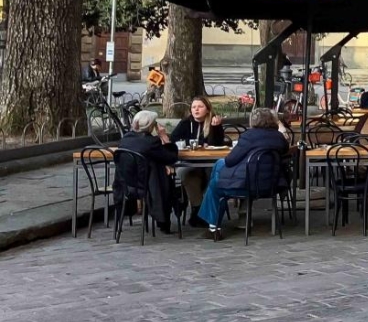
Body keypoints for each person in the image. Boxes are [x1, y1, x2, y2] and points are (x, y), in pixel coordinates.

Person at [199, 108, 290, 241]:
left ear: (252, 120)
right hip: (270, 185)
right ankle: (216, 223)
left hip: (247, 185)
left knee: (215, 181)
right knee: (218, 171)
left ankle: (213, 227)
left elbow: (230, 161)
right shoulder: (279, 138)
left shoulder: (249, 136)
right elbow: (285, 148)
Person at [115, 110, 180, 234]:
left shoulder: (125, 139)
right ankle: (164, 220)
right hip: (147, 187)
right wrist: (163, 136)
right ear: (151, 126)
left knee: (156, 166)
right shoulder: (151, 142)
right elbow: (171, 157)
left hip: (126, 185)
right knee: (163, 175)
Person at [170, 96, 227, 226]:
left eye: (200, 107)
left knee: (213, 174)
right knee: (185, 173)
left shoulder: (213, 122)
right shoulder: (185, 123)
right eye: (194, 107)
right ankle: (198, 208)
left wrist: (216, 128)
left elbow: (217, 144)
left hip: (209, 161)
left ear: (207, 109)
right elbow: (174, 139)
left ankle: (207, 210)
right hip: (190, 161)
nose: (196, 110)